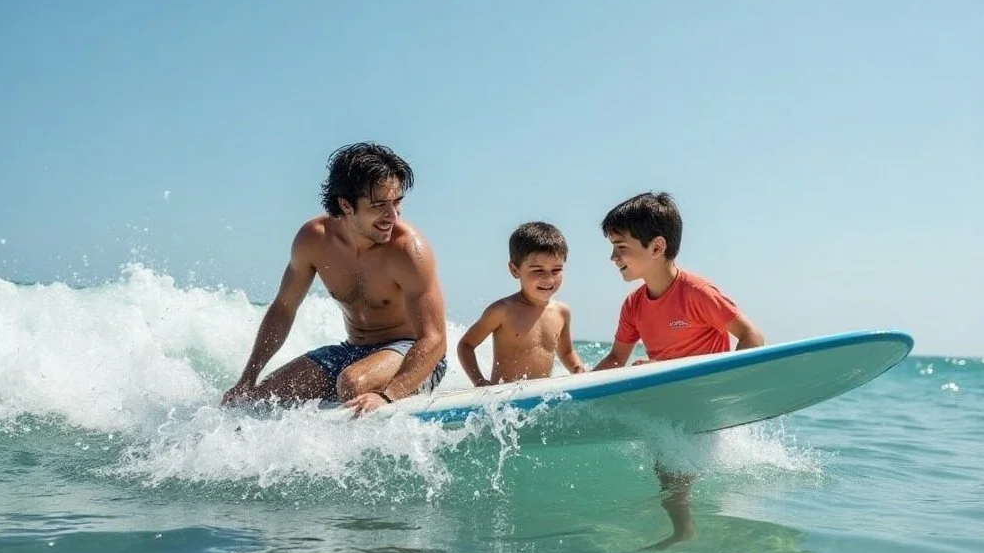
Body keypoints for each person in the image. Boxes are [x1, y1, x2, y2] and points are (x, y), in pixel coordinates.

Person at [222, 142, 447, 414]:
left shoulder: (408, 250)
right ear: (346, 204)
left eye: (397, 202)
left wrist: (388, 396)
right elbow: (284, 308)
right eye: (379, 206)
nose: (392, 216)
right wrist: (247, 378)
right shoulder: (314, 240)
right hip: (351, 351)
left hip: (411, 354)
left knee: (352, 383)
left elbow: (435, 339)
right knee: (260, 400)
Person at [593, 192, 764, 371]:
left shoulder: (697, 293)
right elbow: (615, 359)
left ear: (657, 247)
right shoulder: (632, 305)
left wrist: (729, 381)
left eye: (621, 247)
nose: (613, 257)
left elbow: (752, 337)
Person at [457, 222, 586, 386]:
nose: (548, 278)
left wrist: (577, 368)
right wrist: (479, 381)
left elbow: (566, 351)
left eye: (556, 270)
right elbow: (466, 345)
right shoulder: (502, 311)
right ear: (515, 270)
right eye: (538, 270)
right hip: (505, 401)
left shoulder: (562, 312)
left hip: (541, 399)